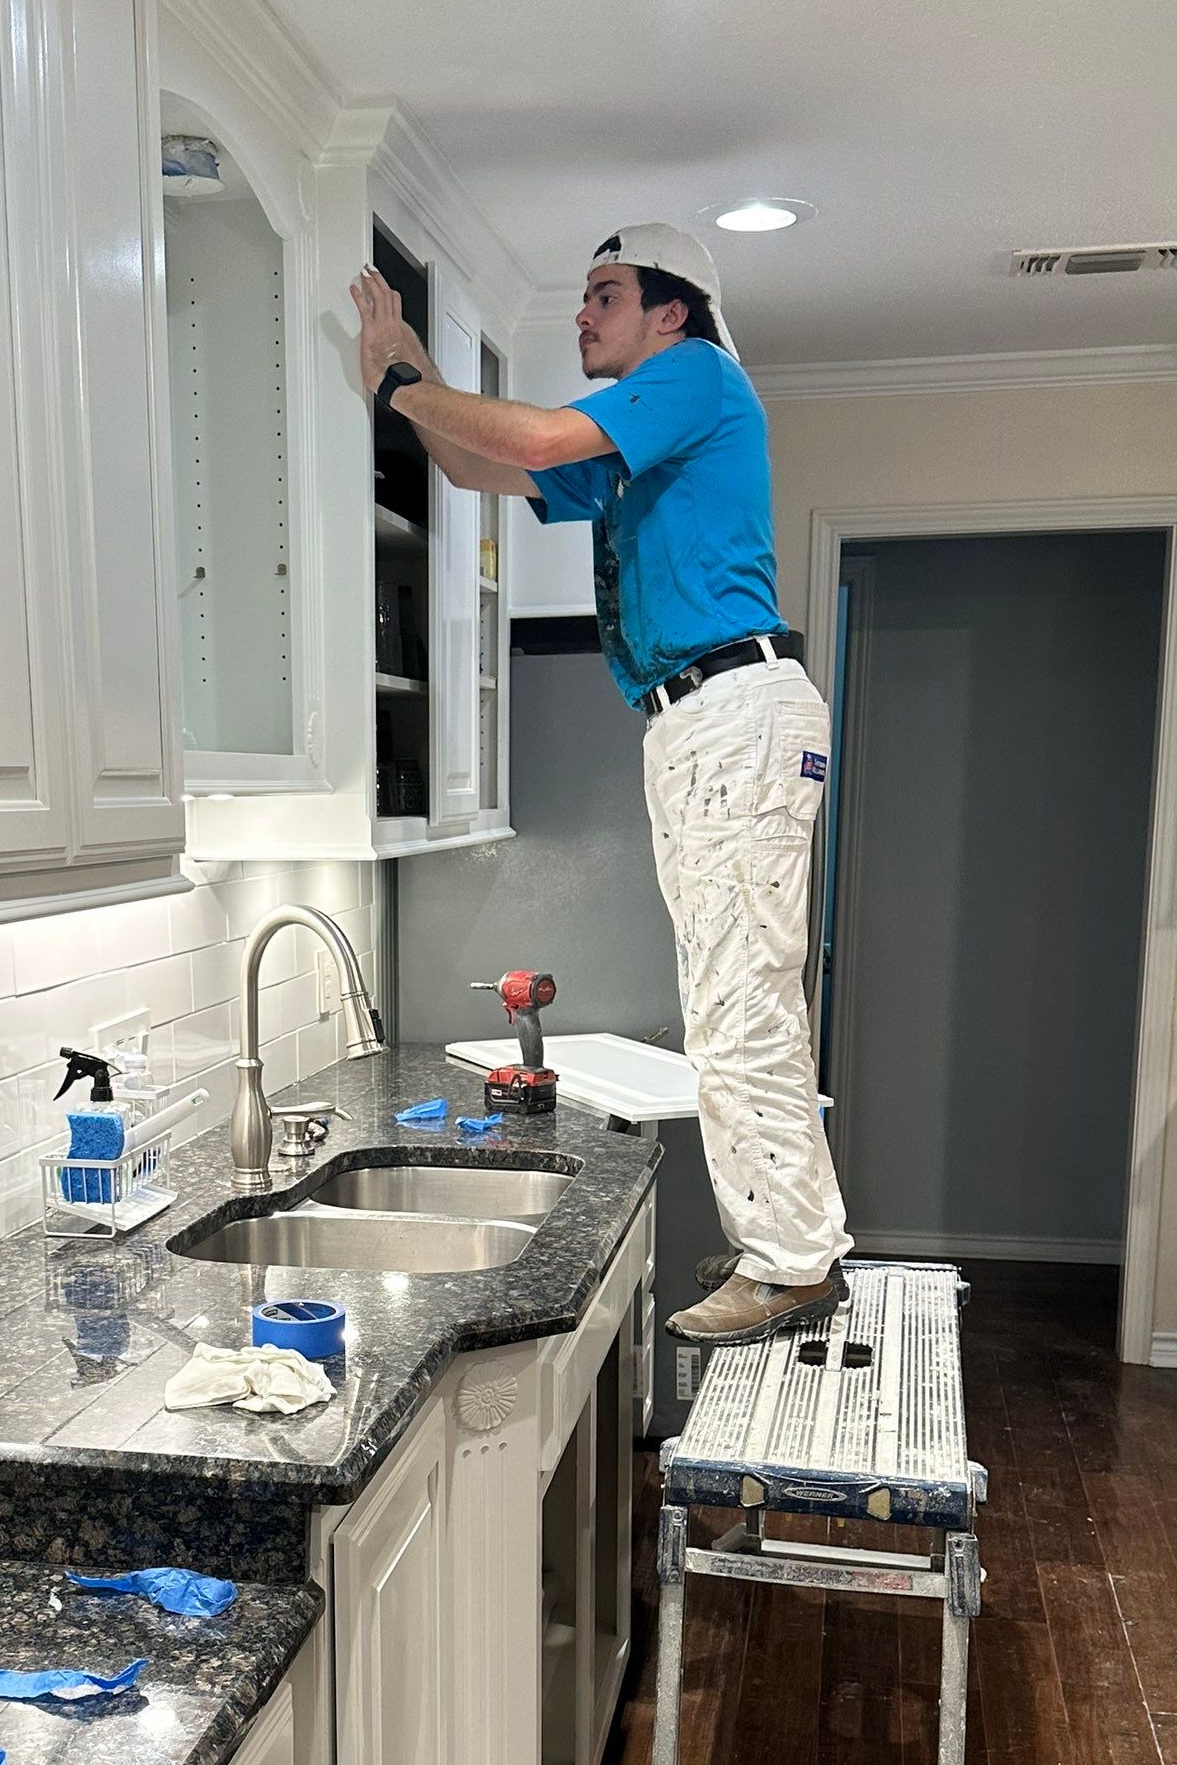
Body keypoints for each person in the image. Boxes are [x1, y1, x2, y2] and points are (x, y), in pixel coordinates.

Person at [351, 225, 850, 1345]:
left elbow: (524, 428)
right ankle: (788, 1239)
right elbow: (489, 463)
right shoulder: (642, 436)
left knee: (735, 998)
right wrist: (407, 379)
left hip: (730, 708)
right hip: (697, 718)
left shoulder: (694, 376)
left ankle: (793, 1261)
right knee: (733, 989)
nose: (584, 315)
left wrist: (399, 378)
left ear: (671, 313)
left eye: (606, 295)